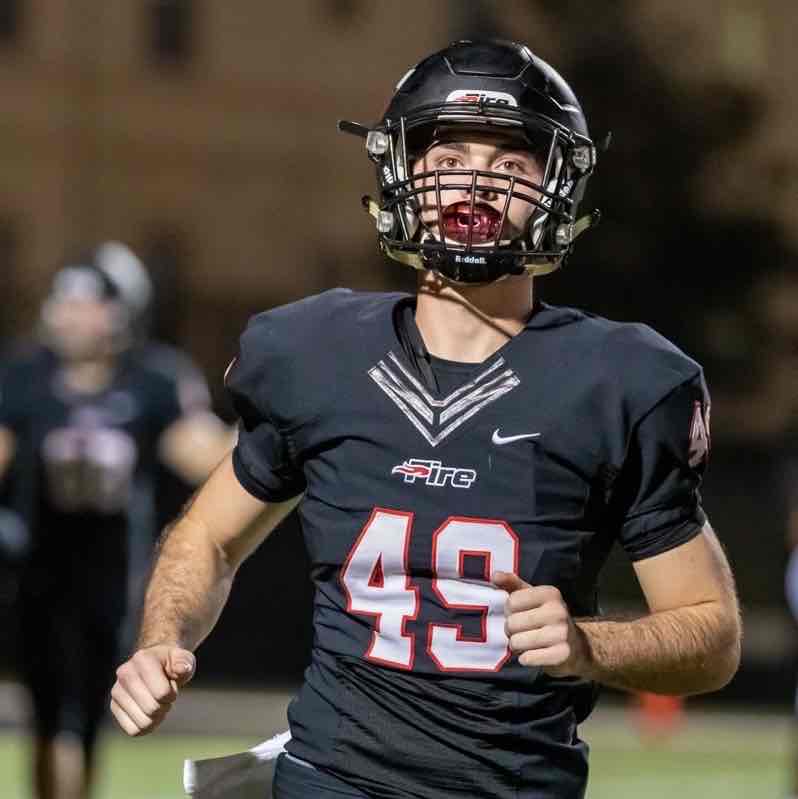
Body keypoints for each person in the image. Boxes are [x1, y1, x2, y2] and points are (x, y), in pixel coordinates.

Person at [111, 40, 742, 799]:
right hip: (328, 776)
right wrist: (160, 640)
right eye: (449, 158)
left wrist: (586, 645)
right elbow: (208, 537)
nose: (474, 182)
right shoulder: (317, 353)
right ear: (401, 173)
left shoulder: (619, 381)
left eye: (510, 164)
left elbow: (711, 634)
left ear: (559, 189)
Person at [0, 242, 232, 799]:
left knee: (81, 720)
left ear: (121, 312)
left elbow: (204, 455)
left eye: (90, 304)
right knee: (50, 714)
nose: (74, 316)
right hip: (39, 572)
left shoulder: (150, 379)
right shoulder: (26, 375)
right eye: (66, 303)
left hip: (110, 575)